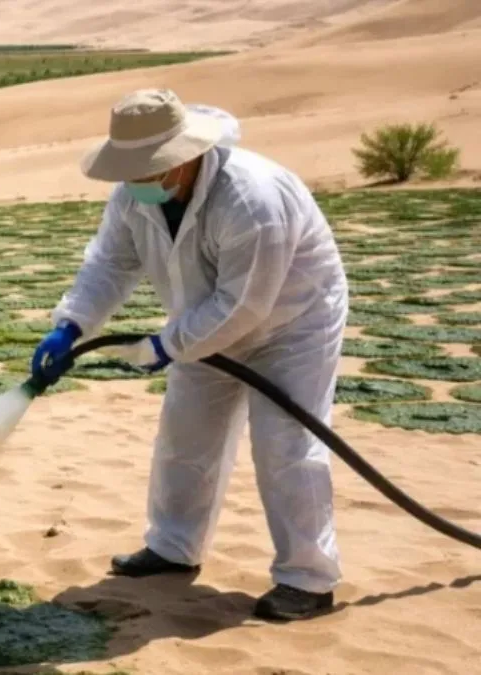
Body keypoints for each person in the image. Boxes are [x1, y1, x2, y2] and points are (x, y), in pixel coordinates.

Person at [30, 89, 348, 622]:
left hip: (291, 324)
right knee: (186, 433)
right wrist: (72, 324)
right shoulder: (136, 193)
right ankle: (173, 548)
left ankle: (307, 578)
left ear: (183, 157)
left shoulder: (251, 199)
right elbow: (110, 264)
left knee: (285, 443)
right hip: (200, 318)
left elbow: (245, 303)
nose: (136, 179)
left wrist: (166, 345)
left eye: (147, 167)